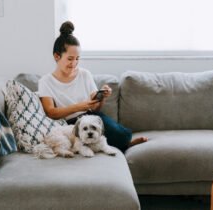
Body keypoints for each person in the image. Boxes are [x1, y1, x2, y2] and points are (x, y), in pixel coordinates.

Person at [38, 21, 147, 152]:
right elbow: (51, 112)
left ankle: (122, 143)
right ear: (57, 56)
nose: (74, 63)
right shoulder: (46, 81)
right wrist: (79, 106)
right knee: (86, 135)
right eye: (70, 58)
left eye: (77, 58)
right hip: (70, 124)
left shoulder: (84, 74)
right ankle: (117, 145)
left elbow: (95, 107)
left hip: (91, 116)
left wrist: (102, 98)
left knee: (123, 135)